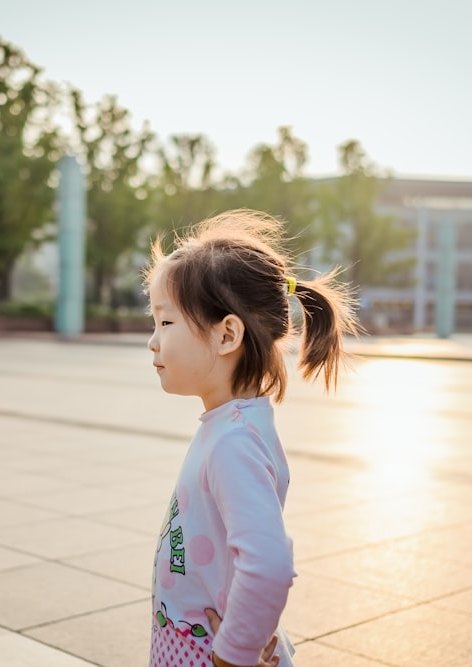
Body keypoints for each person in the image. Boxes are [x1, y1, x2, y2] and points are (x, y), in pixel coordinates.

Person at [144, 209, 358, 667]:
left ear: (226, 335)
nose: (153, 341)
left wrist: (233, 655)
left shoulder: (233, 444)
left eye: (165, 322)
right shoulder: (229, 427)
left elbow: (269, 564)